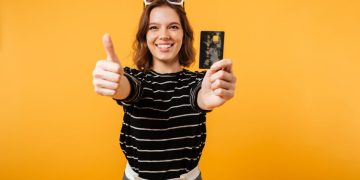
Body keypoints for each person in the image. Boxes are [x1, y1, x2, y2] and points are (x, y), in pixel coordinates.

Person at [92, 0, 236, 179]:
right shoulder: (134, 79)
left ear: (184, 34)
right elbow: (128, 88)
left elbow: (198, 95)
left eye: (173, 27)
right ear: (145, 35)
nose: (164, 35)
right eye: (154, 27)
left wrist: (206, 97)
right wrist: (115, 83)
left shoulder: (200, 81)